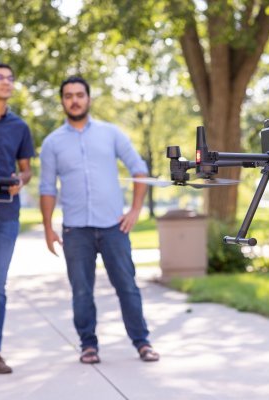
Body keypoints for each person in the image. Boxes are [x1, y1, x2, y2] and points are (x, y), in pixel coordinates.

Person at [39, 76, 159, 364]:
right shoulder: (52, 142)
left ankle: (142, 342)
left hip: (113, 227)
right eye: (69, 96)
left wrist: (134, 211)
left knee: (127, 286)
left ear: (89, 99)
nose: (75, 100)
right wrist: (47, 228)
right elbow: (46, 188)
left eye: (80, 94)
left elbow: (139, 170)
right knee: (81, 290)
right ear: (63, 101)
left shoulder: (111, 133)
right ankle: (88, 345)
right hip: (75, 230)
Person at [0, 62, 35, 374]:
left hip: (7, 214)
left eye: (10, 77)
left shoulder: (20, 126)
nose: (6, 82)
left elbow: (26, 168)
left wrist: (20, 180)